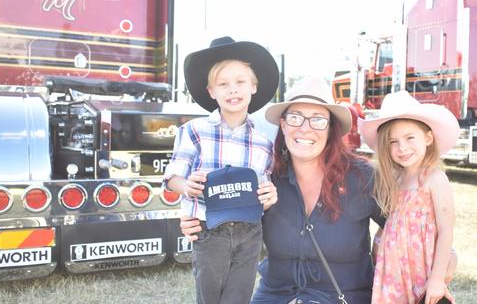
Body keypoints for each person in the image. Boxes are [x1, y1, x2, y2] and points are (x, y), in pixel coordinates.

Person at [180, 77, 458, 303]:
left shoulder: (363, 178)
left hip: (343, 296)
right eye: (296, 118)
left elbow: (407, 227)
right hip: (276, 295)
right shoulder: (265, 177)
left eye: (318, 120)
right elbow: (228, 219)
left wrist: (446, 259)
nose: (306, 128)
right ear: (283, 125)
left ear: (331, 129)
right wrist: (197, 220)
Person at [162, 36, 280, 304]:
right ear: (211, 91)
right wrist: (186, 185)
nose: (232, 90)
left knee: (239, 296)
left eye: (240, 82)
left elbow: (267, 184)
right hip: (209, 228)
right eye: (223, 84)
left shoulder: (263, 141)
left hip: (250, 231)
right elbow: (171, 178)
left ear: (253, 86)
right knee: (210, 296)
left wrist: (270, 193)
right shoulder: (194, 131)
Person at [359, 90, 459, 304]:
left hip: (422, 268)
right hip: (391, 271)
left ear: (428, 138)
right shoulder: (392, 178)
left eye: (409, 138)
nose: (402, 147)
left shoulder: (434, 178)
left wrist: (437, 279)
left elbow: (446, 230)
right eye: (393, 142)